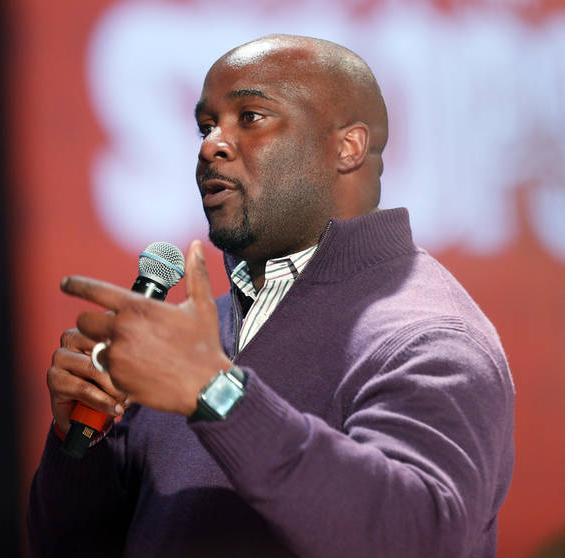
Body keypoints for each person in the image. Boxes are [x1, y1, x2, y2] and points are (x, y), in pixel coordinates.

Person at [27, 34, 515, 558]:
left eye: (251, 117)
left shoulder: (426, 336)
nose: (210, 144)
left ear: (347, 147)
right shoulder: (194, 337)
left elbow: (419, 538)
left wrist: (215, 393)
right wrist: (83, 449)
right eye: (206, 125)